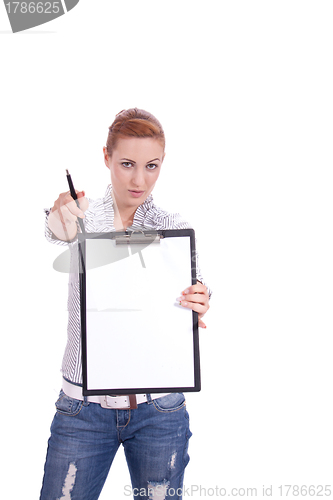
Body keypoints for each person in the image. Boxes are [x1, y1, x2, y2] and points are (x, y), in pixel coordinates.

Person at [40, 108, 211, 500]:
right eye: (127, 164)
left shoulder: (171, 223)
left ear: (162, 163)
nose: (139, 179)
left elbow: (197, 283)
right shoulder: (84, 218)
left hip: (159, 411)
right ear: (106, 158)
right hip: (83, 409)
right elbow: (56, 230)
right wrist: (59, 214)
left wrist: (202, 298)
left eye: (151, 166)